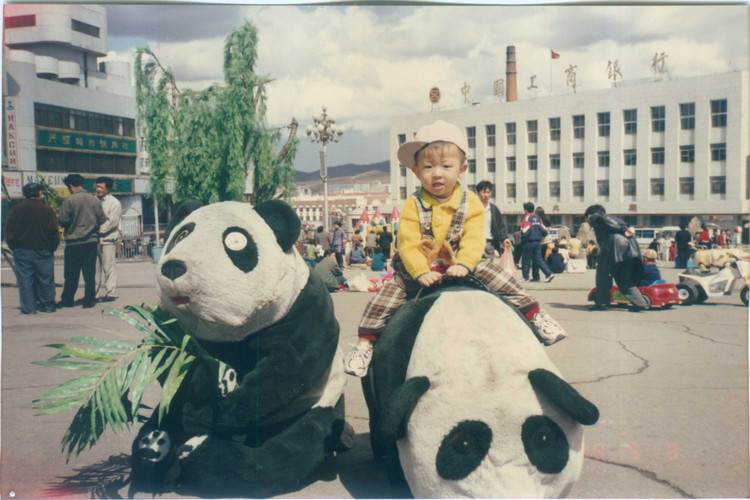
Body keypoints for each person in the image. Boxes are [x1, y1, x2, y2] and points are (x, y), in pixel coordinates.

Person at [344, 120, 566, 377]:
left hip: (461, 264)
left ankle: (535, 315)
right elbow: (407, 242)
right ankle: (364, 344)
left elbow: (474, 238)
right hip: (420, 269)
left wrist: (464, 264)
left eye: (446, 166)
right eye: (428, 167)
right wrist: (418, 272)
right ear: (416, 172)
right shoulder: (412, 204)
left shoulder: (471, 201)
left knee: (501, 279)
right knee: (386, 296)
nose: (437, 173)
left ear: (461, 170)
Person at [4, 182, 60, 314]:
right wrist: (51, 248)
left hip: (22, 251)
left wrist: (15, 248)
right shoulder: (47, 210)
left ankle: (29, 308)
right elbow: (53, 232)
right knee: (46, 278)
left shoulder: (16, 210)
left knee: (25, 280)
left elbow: (9, 233)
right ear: (40, 193)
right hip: (43, 250)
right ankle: (48, 305)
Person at [585, 204, 649, 312]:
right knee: (624, 279)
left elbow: (602, 218)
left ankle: (602, 304)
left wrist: (623, 228)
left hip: (614, 247)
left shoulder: (597, 218)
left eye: (586, 217)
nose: (587, 221)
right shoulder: (611, 225)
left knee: (603, 276)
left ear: (589, 215)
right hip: (630, 249)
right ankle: (641, 303)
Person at [58, 174, 106, 308]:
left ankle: (67, 300)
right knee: (89, 273)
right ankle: (89, 300)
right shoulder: (95, 200)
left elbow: (62, 220)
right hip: (91, 241)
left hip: (74, 242)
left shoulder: (69, 200)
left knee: (71, 274)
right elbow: (102, 219)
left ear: (70, 186)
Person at [94, 176, 122, 302]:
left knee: (108, 267)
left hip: (108, 240)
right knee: (94, 269)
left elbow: (112, 222)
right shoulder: (93, 201)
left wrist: (97, 230)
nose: (98, 189)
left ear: (108, 189)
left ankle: (111, 293)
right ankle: (93, 293)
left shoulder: (114, 203)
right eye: (97, 186)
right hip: (94, 240)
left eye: (101, 187)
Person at [520, 202, 554, 283]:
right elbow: (544, 231)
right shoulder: (538, 218)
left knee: (525, 260)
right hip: (538, 243)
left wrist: (523, 239)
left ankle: (525, 277)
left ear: (525, 210)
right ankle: (548, 274)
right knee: (539, 260)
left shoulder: (527, 218)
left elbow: (525, 230)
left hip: (529, 242)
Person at [475, 180, 507, 259]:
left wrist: (505, 239)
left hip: (489, 244)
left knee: (489, 267)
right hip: (475, 242)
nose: (486, 195)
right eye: (484, 192)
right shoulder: (473, 207)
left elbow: (500, 226)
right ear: (478, 193)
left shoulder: (493, 209)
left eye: (488, 192)